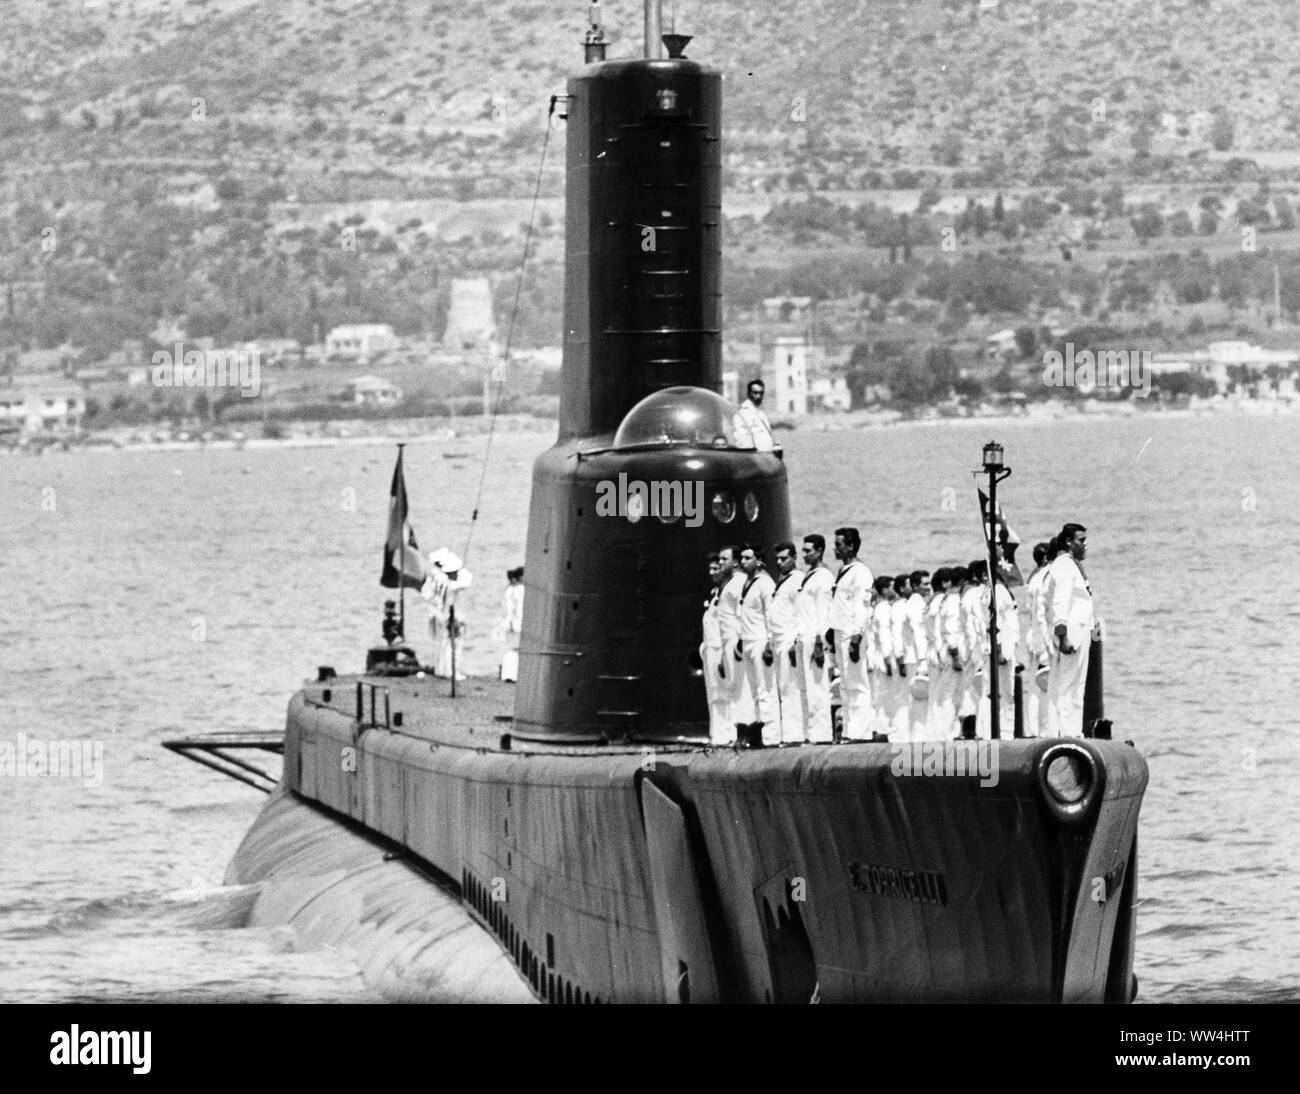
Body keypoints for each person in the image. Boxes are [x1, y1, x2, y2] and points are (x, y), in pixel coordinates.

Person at [1044, 523, 1096, 738]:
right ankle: (1069, 732)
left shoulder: (1069, 565)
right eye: (1081, 540)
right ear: (1068, 542)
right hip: (1073, 629)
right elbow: (1061, 601)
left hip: (1076, 627)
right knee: (1071, 684)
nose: (1085, 545)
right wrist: (1062, 635)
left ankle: (1061, 729)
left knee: (1067, 683)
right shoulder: (1065, 566)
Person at [827, 527, 873, 740]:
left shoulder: (860, 572)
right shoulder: (844, 572)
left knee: (857, 684)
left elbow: (861, 607)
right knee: (845, 685)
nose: (835, 549)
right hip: (840, 632)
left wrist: (856, 638)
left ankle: (861, 732)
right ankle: (848, 730)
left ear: (851, 546)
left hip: (852, 634)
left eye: (839, 545)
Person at [735, 544, 778, 744]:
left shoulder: (765, 583)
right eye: (741, 558)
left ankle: (771, 735)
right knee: (754, 692)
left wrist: (770, 643)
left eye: (747, 558)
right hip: (748, 642)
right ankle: (759, 734)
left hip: (761, 642)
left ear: (758, 560)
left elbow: (770, 614)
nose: (742, 562)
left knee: (765, 690)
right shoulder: (747, 582)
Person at [795, 534, 833, 742]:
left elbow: (824, 612)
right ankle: (809, 733)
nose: (805, 555)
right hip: (803, 639)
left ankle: (822, 735)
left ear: (819, 551)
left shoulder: (823, 577)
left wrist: (820, 643)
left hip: (814, 640)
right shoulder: (808, 576)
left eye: (808, 551)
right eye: (803, 550)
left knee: (818, 690)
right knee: (805, 690)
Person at [768, 541, 804, 743]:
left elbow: (800, 612)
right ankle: (789, 733)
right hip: (778, 642)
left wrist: (794, 642)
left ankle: (794, 734)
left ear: (794, 557)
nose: (780, 563)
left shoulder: (797, 580)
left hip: (789, 641)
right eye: (777, 560)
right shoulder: (784, 581)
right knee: (784, 688)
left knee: (792, 689)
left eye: (784, 558)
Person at [422, 548, 474, 679]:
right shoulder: (451, 584)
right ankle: (451, 671)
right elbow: (467, 581)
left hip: (436, 613)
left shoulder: (433, 578)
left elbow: (426, 594)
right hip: (450, 615)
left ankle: (441, 670)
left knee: (441, 643)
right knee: (454, 645)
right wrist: (462, 570)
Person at [980, 568, 1019, 737]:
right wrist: (1000, 650)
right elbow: (996, 624)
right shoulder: (999, 592)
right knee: (1004, 694)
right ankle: (1005, 732)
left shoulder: (989, 592)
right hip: (1001, 651)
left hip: (997, 649)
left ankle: (990, 730)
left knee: (992, 691)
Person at [714, 544, 746, 740]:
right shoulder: (729, 583)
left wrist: (739, 645)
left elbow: (743, 615)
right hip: (727, 643)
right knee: (733, 689)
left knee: (741, 689)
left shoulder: (739, 583)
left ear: (735, 561)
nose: (720, 563)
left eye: (724, 559)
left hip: (736, 642)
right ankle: (735, 732)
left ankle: (743, 731)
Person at [930, 565, 966, 740]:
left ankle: (946, 732)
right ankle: (947, 735)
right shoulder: (953, 601)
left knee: (944, 696)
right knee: (951, 696)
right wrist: (956, 656)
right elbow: (950, 630)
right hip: (951, 654)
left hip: (942, 652)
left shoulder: (943, 599)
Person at [1020, 543, 1051, 737]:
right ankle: (1045, 728)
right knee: (1046, 685)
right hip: (1041, 635)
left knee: (1034, 686)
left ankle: (1033, 728)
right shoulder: (1043, 579)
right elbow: (1041, 614)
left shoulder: (1032, 578)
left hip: (1032, 634)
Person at [699, 553, 730, 741]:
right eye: (710, 569)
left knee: (724, 693)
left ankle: (727, 733)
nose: (712, 573)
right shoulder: (715, 593)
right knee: (714, 693)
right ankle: (717, 733)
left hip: (721, 649)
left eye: (715, 569)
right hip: (710, 650)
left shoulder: (728, 593)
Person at [959, 561, 987, 738]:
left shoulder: (966, 595)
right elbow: (977, 623)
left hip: (968, 647)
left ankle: (967, 729)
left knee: (969, 690)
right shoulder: (976, 595)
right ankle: (978, 731)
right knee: (982, 691)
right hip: (978, 646)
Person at [869, 575, 899, 737]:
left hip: (876, 657)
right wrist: (888, 659)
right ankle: (884, 729)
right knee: (886, 695)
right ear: (886, 590)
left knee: (880, 695)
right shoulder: (884, 608)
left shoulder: (876, 608)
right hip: (883, 657)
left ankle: (880, 728)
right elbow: (884, 634)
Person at [905, 570, 931, 739]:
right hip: (918, 658)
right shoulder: (915, 604)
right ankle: (918, 738)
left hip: (919, 656)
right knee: (919, 702)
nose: (928, 587)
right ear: (915, 586)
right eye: (925, 584)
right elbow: (918, 632)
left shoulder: (920, 602)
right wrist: (923, 659)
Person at [732, 379, 776, 452]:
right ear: (748, 394)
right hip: (754, 458)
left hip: (767, 457)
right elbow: (742, 441)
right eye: (755, 393)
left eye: (761, 393)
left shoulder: (761, 414)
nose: (758, 396)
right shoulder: (742, 414)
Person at [498, 567, 525, 682]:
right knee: (516, 648)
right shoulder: (521, 589)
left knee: (509, 648)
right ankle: (513, 674)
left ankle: (507, 673)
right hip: (516, 622)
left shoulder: (509, 589)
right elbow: (518, 608)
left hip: (507, 622)